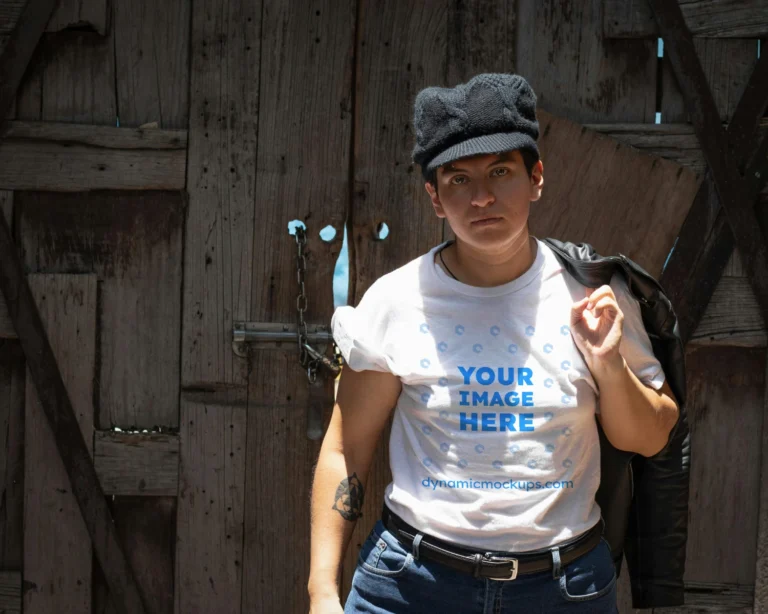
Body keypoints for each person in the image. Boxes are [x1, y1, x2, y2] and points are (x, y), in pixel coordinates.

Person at [307, 73, 680, 614]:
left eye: (500, 172)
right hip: (411, 587)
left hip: (563, 589)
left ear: (536, 179)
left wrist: (607, 365)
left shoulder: (597, 294)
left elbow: (650, 438)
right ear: (435, 197)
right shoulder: (396, 301)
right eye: (458, 180)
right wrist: (321, 590)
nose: (481, 197)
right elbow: (346, 448)